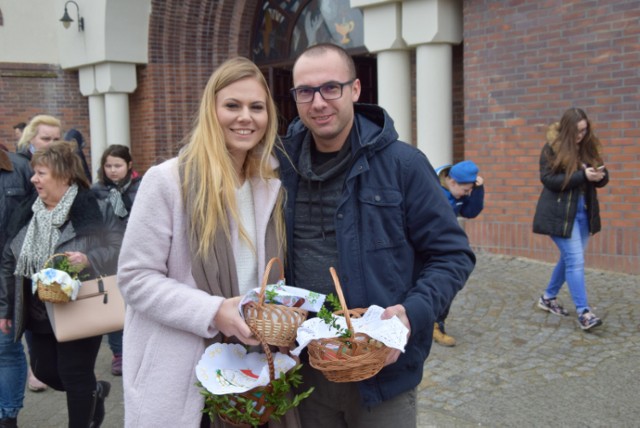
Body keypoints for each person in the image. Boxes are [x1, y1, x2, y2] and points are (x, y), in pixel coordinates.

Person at [278, 43, 476, 427]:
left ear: (355, 90)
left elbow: (453, 256)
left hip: (381, 372)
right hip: (304, 369)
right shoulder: (280, 167)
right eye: (306, 91)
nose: (318, 102)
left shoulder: (404, 164)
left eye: (330, 88)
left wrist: (411, 314)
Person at [117, 57, 297, 428]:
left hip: (250, 369)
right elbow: (135, 278)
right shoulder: (168, 181)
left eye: (256, 107)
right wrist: (213, 311)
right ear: (211, 110)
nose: (245, 117)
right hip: (181, 372)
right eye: (232, 105)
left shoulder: (271, 186)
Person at [0, 141, 121, 428]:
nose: (33, 179)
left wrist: (89, 259)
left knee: (75, 373)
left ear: (64, 176)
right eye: (34, 173)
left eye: (41, 173)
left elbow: (121, 247)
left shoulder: (93, 207)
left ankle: (84, 412)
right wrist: (5, 309)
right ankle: (96, 392)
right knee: (45, 372)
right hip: (39, 309)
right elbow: (8, 260)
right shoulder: (28, 212)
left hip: (80, 304)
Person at [533, 107, 608, 331]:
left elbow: (602, 179)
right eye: (577, 131)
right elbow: (548, 180)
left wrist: (599, 175)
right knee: (575, 259)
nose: (581, 135)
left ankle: (548, 297)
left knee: (569, 258)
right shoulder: (552, 148)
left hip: (584, 213)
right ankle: (584, 313)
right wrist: (582, 175)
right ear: (566, 129)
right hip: (559, 215)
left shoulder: (588, 146)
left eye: (584, 130)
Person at [15, 116, 62, 393]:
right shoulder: (20, 165)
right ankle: (38, 366)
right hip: (27, 251)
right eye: (46, 138)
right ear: (30, 139)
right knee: (32, 314)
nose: (51, 144)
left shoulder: (65, 161)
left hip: (55, 255)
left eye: (56, 138)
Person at [91, 144, 141, 376]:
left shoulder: (140, 187)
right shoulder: (97, 190)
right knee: (114, 304)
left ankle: (137, 349)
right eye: (108, 165)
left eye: (118, 165)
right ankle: (119, 353)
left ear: (129, 165)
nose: (113, 170)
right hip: (110, 255)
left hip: (137, 252)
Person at [432, 160, 485, 346]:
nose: (467, 194)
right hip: (429, 245)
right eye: (466, 191)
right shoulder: (435, 193)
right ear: (452, 182)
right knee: (440, 282)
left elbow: (470, 212)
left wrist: (478, 190)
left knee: (447, 282)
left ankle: (436, 324)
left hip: (443, 244)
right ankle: (432, 324)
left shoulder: (456, 186)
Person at [0, 149, 34, 428]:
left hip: (8, 272)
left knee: (5, 348)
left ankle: (9, 416)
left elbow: (33, 218)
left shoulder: (19, 168)